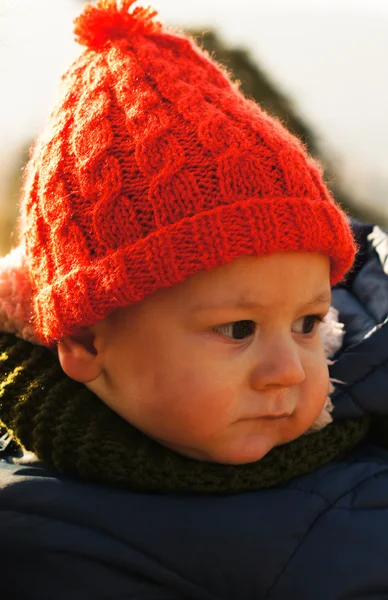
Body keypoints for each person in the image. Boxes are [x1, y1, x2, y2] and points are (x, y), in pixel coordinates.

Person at [0, 1, 388, 597]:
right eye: (237, 330)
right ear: (83, 338)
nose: (288, 371)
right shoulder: (48, 540)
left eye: (309, 322)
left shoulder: (361, 411)